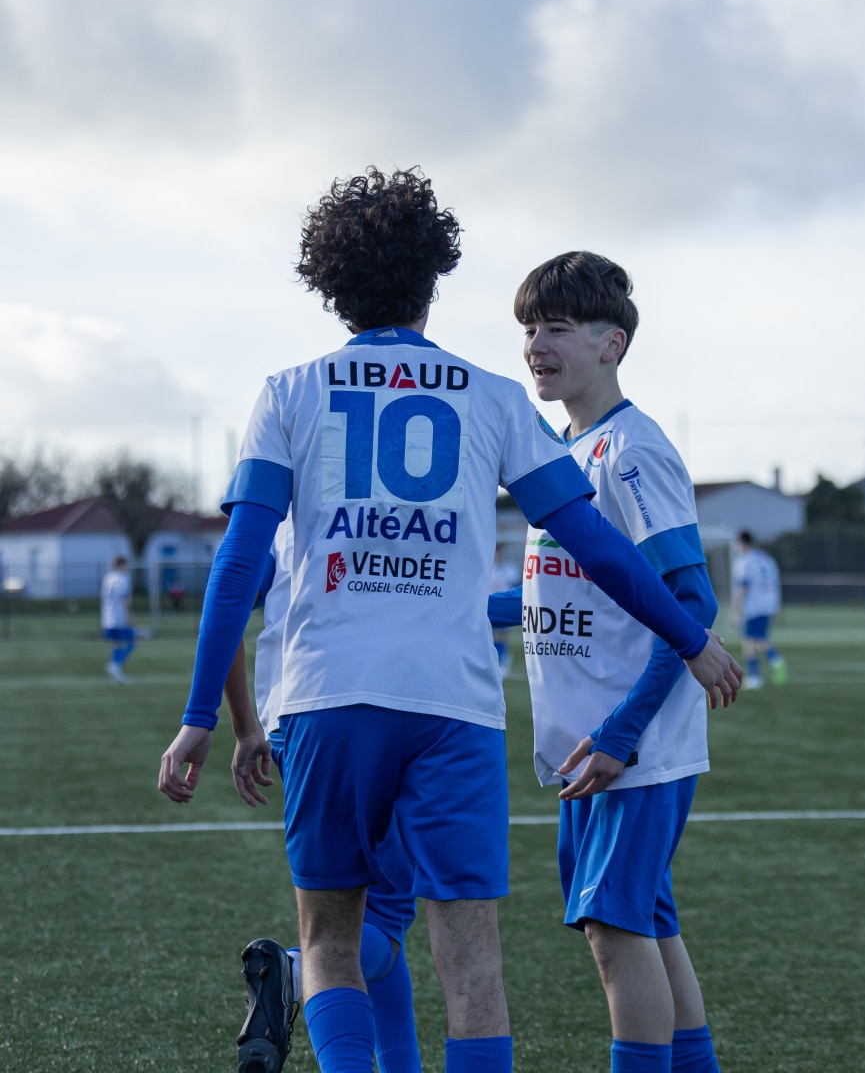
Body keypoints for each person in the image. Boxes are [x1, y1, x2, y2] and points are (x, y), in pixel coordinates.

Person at [158, 167, 740, 1073]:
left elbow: (239, 566)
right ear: (433, 280)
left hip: (324, 695)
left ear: (330, 286)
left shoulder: (289, 391)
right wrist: (692, 635)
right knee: (471, 963)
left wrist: (204, 713)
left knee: (331, 940)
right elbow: (596, 546)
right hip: (452, 706)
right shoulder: (492, 396)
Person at [496, 250, 726, 1073]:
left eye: (557, 327)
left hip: (630, 744)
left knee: (614, 932)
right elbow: (559, 591)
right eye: (529, 328)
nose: (536, 344)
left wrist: (625, 732)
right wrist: (448, 610)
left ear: (611, 343)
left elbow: (690, 602)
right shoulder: (562, 452)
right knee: (647, 926)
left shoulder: (630, 451)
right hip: (589, 741)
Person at [223, 515, 422, 1073]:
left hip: (294, 723)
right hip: (386, 707)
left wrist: (244, 727)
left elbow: (227, 604)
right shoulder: (387, 508)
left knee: (364, 914)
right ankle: (291, 970)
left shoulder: (277, 519)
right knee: (374, 929)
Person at [729, 530, 787, 689]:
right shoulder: (767, 559)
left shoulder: (743, 562)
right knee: (758, 639)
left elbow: (743, 588)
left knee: (749, 640)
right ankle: (776, 661)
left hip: (753, 604)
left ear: (742, 543)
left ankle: (756, 676)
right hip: (769, 603)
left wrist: (735, 612)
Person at [101, 554, 135, 684]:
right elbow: (124, 599)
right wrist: (129, 617)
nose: (128, 567)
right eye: (126, 565)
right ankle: (115, 665)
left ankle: (116, 675)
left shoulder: (108, 578)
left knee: (116, 643)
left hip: (107, 616)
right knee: (131, 642)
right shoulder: (123, 579)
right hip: (119, 617)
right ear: (121, 565)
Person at [489, 544, 521, 675]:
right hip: (490, 603)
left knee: (502, 635)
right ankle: (493, 660)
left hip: (503, 605)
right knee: (489, 635)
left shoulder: (509, 569)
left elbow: (515, 583)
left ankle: (503, 657)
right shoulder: (487, 568)